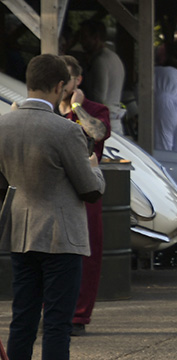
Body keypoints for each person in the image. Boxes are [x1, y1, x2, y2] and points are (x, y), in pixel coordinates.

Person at [0, 54, 106, 360]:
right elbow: (90, 189)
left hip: (20, 231)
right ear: (62, 86)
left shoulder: (4, 125)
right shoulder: (64, 130)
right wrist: (94, 164)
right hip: (61, 235)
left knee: (22, 323)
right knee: (57, 326)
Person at [58, 55, 110, 336]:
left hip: (85, 188)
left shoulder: (94, 109)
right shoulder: (49, 111)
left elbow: (98, 133)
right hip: (54, 188)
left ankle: (79, 316)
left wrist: (77, 107)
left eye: (67, 77)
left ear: (77, 80)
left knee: (87, 254)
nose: (62, 83)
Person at [77, 19, 126, 127]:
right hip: (113, 119)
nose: (81, 41)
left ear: (96, 38)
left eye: (84, 37)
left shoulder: (100, 61)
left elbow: (98, 98)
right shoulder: (114, 57)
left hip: (104, 122)